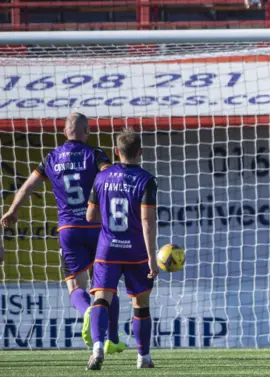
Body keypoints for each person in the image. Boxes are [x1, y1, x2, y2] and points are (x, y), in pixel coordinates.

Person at [0, 112, 124, 353]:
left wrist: (13, 211)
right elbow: (111, 176)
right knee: (106, 286)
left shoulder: (51, 158)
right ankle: (113, 338)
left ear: (64, 132)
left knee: (76, 288)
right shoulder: (95, 154)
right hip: (97, 227)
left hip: (69, 230)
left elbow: (26, 188)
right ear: (87, 131)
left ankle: (87, 309)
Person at [85, 128, 159, 370]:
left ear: (116, 151)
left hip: (108, 250)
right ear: (140, 152)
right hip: (136, 252)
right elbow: (147, 221)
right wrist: (151, 258)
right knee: (141, 303)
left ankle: (97, 349)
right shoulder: (146, 180)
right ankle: (143, 357)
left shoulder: (101, 177)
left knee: (101, 299)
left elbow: (90, 215)